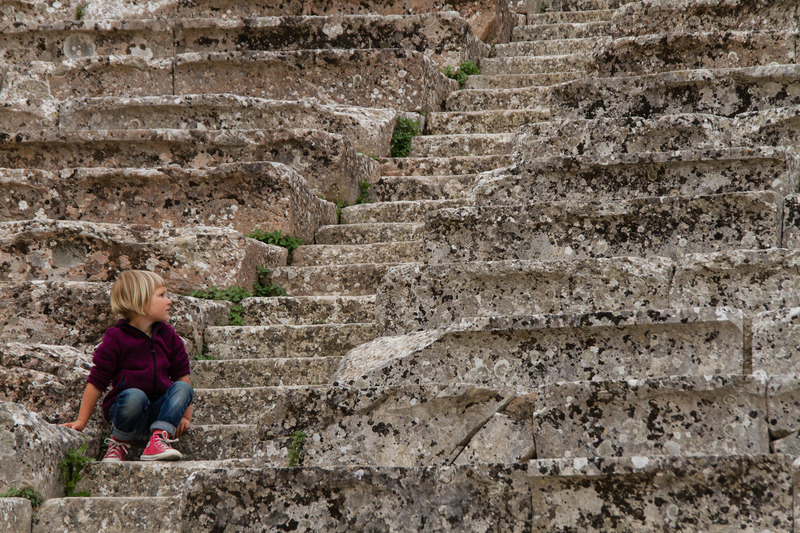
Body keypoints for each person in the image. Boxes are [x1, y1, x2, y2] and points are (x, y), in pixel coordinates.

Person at [62, 270, 194, 463]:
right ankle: (118, 443)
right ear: (140, 302)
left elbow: (182, 375)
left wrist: (183, 416)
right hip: (128, 412)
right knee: (135, 396)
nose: (169, 301)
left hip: (160, 413)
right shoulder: (116, 338)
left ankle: (158, 439)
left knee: (183, 388)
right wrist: (82, 421)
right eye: (162, 295)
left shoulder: (169, 336)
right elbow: (97, 381)